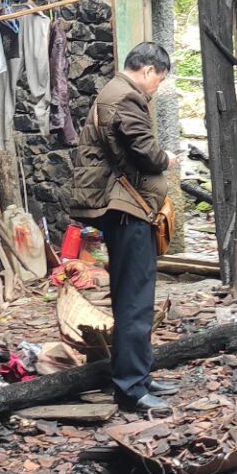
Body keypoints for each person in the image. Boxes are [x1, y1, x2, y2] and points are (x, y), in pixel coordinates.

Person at [64, 41, 179, 413]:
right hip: (127, 212)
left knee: (133, 297)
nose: (157, 87)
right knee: (134, 300)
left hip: (124, 211)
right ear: (147, 70)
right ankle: (131, 389)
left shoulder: (115, 92)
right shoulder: (126, 97)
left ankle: (139, 376)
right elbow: (145, 152)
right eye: (159, 79)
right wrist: (166, 159)